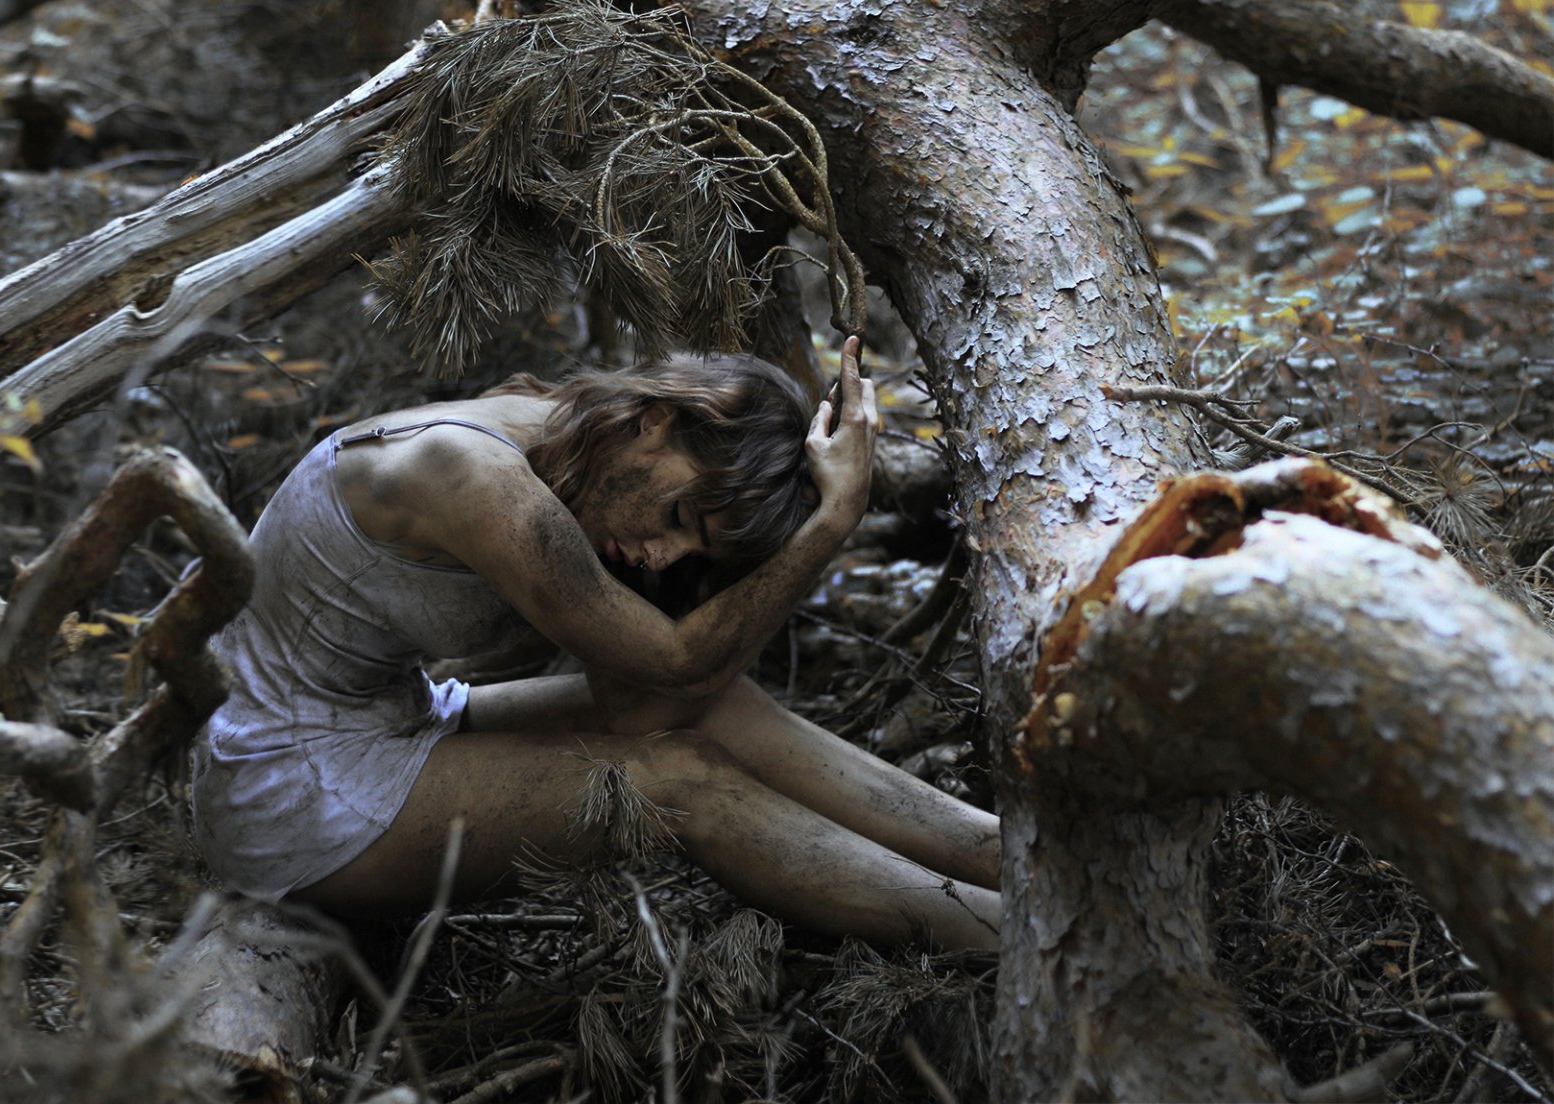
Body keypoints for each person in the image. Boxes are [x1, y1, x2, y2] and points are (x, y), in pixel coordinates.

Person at [191, 337, 1001, 951]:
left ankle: (999, 854)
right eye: (682, 519)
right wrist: (831, 522)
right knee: (675, 783)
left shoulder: (569, 442)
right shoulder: (469, 474)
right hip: (287, 784)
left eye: (691, 552)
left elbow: (653, 696)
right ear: (658, 418)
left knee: (715, 708)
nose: (661, 554)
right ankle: (1001, 934)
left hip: (394, 722)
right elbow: (670, 661)